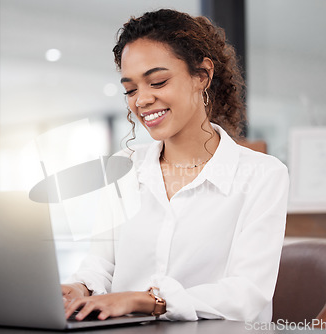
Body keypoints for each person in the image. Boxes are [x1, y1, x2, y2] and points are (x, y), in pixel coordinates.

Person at [62, 8, 289, 322]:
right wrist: (80, 288)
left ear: (202, 76)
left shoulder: (262, 175)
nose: (141, 100)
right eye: (130, 89)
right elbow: (101, 265)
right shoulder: (123, 167)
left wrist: (147, 300)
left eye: (157, 82)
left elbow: (246, 293)